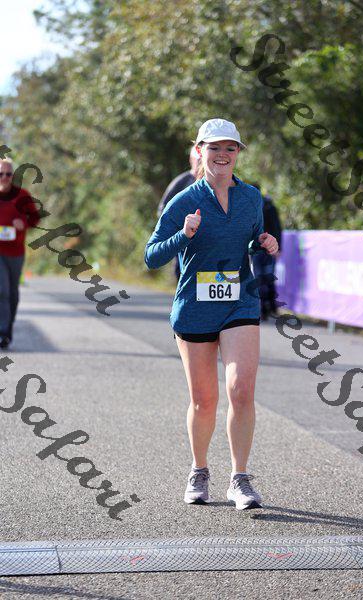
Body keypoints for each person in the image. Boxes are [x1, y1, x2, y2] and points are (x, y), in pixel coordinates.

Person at [145, 118, 278, 510]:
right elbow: (152, 256)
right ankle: (199, 469)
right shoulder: (184, 201)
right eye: (214, 147)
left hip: (240, 301)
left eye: (230, 148)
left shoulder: (251, 197)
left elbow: (249, 240)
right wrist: (183, 235)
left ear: (238, 153)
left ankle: (240, 479)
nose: (222, 155)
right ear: (199, 151)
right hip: (195, 307)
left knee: (241, 390)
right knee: (204, 400)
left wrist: (263, 242)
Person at [0, 158, 41, 348]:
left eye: (8, 174)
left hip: (16, 252)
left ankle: (7, 329)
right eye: (1, 174)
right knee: (2, 291)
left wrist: (23, 223)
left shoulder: (22, 195)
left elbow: (35, 218)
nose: (4, 177)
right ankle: (2, 332)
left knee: (12, 294)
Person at [157, 146, 201, 281]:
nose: (200, 163)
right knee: (182, 272)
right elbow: (163, 209)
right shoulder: (182, 182)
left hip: (206, 240)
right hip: (184, 238)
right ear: (191, 160)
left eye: (202, 160)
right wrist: (179, 231)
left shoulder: (219, 184)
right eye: (198, 160)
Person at [250, 183, 282, 319]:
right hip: (257, 250)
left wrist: (278, 248)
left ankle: (270, 308)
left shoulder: (269, 207)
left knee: (267, 278)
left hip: (269, 249)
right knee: (261, 279)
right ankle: (264, 309)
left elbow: (277, 228)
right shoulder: (250, 207)